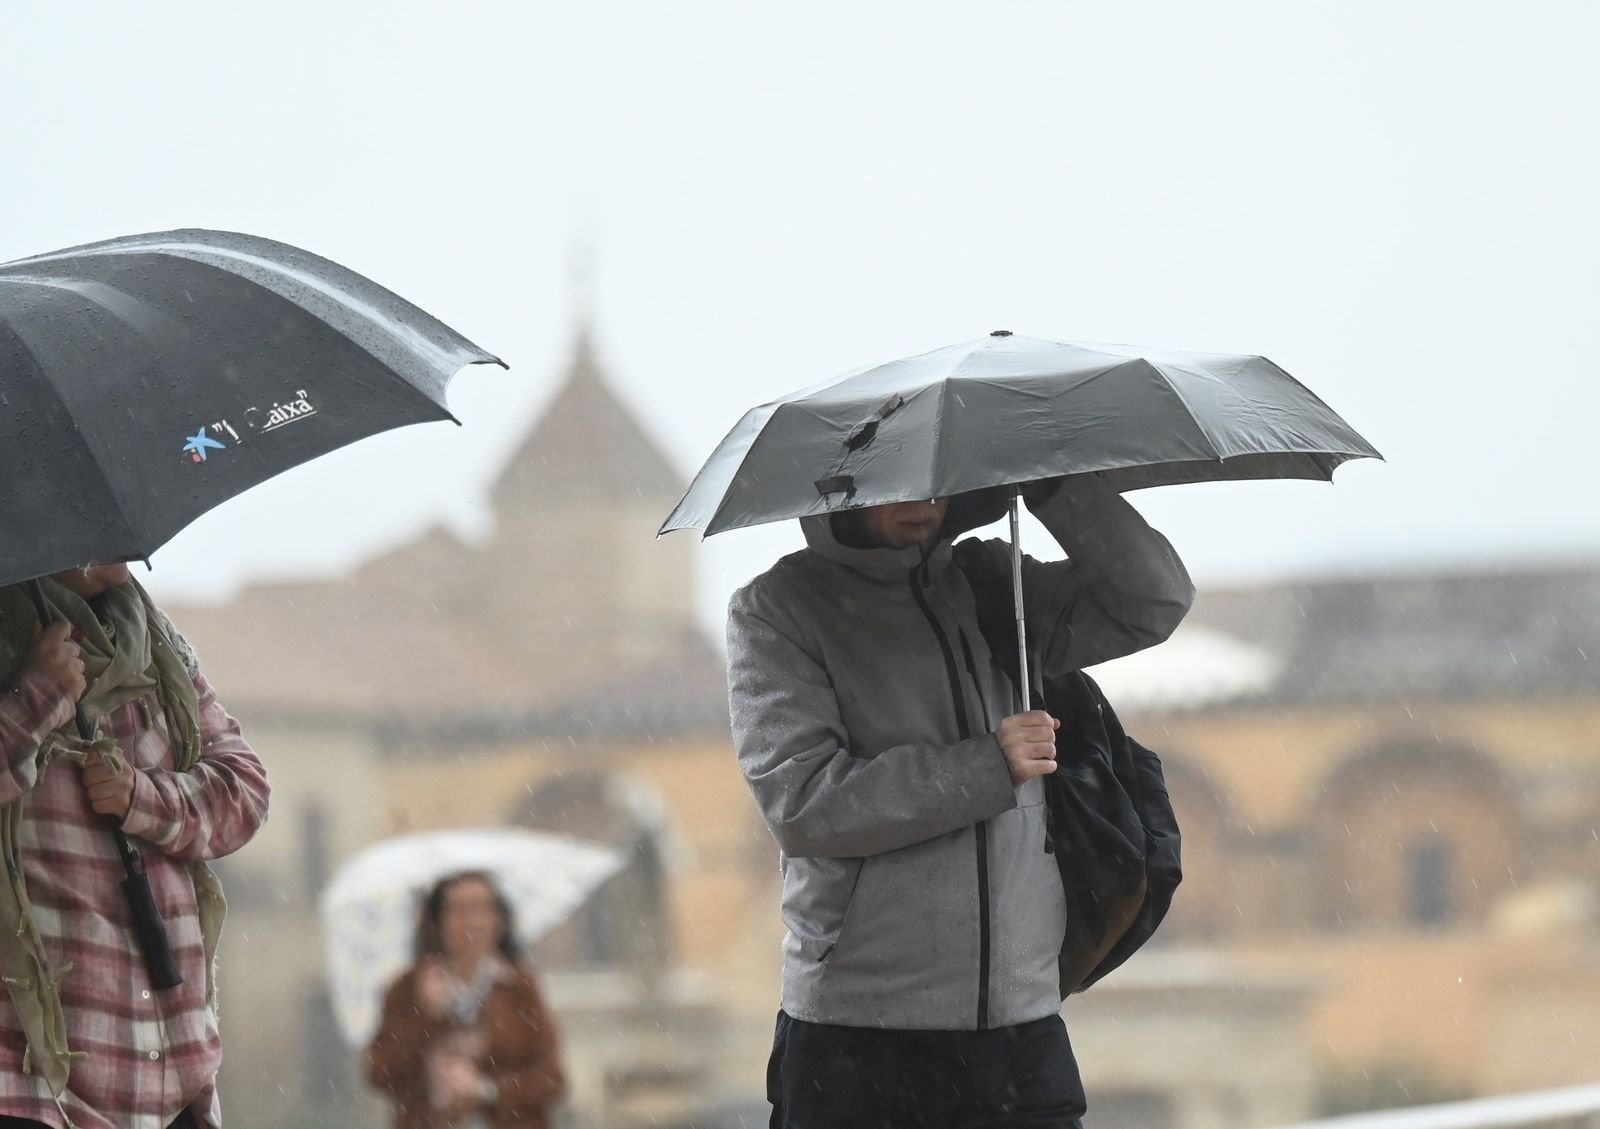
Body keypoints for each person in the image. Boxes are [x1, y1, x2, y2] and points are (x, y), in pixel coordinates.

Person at [727, 474, 1194, 1129]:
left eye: (935, 480)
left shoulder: (992, 582)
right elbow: (803, 803)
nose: (921, 502)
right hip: (858, 1035)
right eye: (897, 481)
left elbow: (1151, 601)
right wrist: (988, 765)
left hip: (1022, 1028)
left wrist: (1055, 488)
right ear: (845, 486)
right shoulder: (778, 609)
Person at [0, 563, 272, 1129]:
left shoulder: (155, 645)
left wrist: (141, 798)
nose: (120, 558)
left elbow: (245, 791)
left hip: (173, 1077)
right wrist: (37, 695)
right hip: (34, 1084)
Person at [368, 871, 566, 1129]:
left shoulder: (519, 988)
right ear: (438, 920)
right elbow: (380, 1074)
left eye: (483, 909)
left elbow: (551, 1080)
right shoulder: (408, 988)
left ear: (499, 919)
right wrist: (425, 1016)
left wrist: (487, 1089)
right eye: (459, 910)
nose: (473, 921)